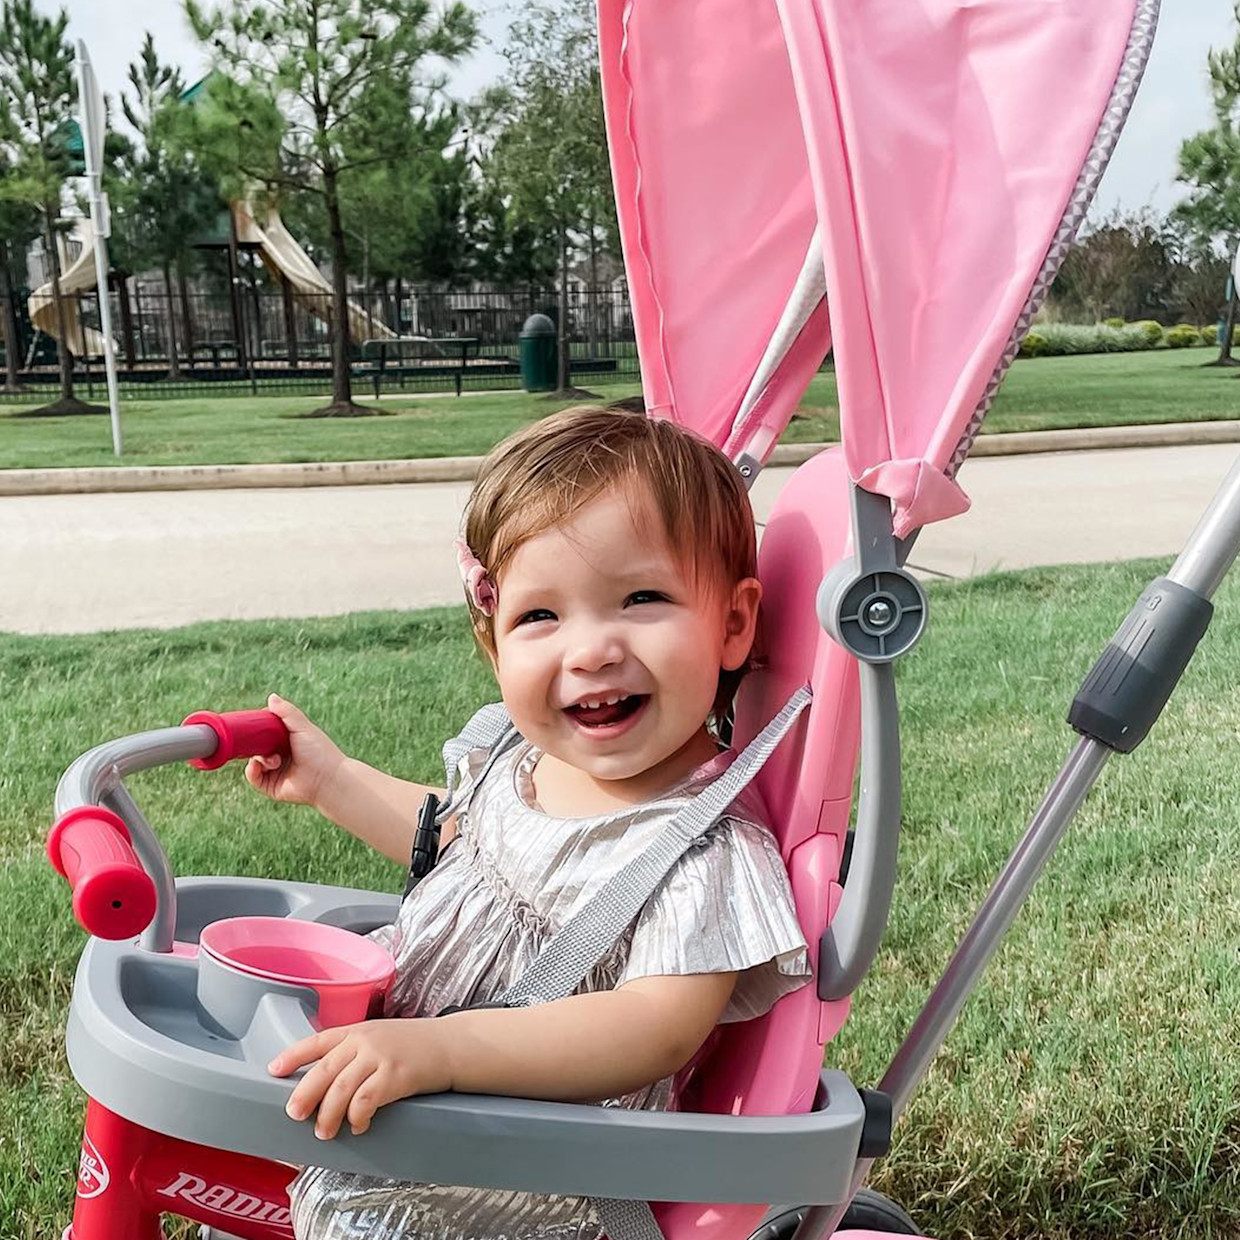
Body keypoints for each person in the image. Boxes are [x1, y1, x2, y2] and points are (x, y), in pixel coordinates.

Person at [247, 405, 812, 1240]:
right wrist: (335, 781)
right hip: (411, 1118)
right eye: (540, 617)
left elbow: (651, 1030)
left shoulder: (703, 851)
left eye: (641, 598)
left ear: (731, 624)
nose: (589, 650)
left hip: (522, 1183)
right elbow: (457, 844)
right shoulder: (526, 764)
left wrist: (441, 1054)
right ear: (493, 643)